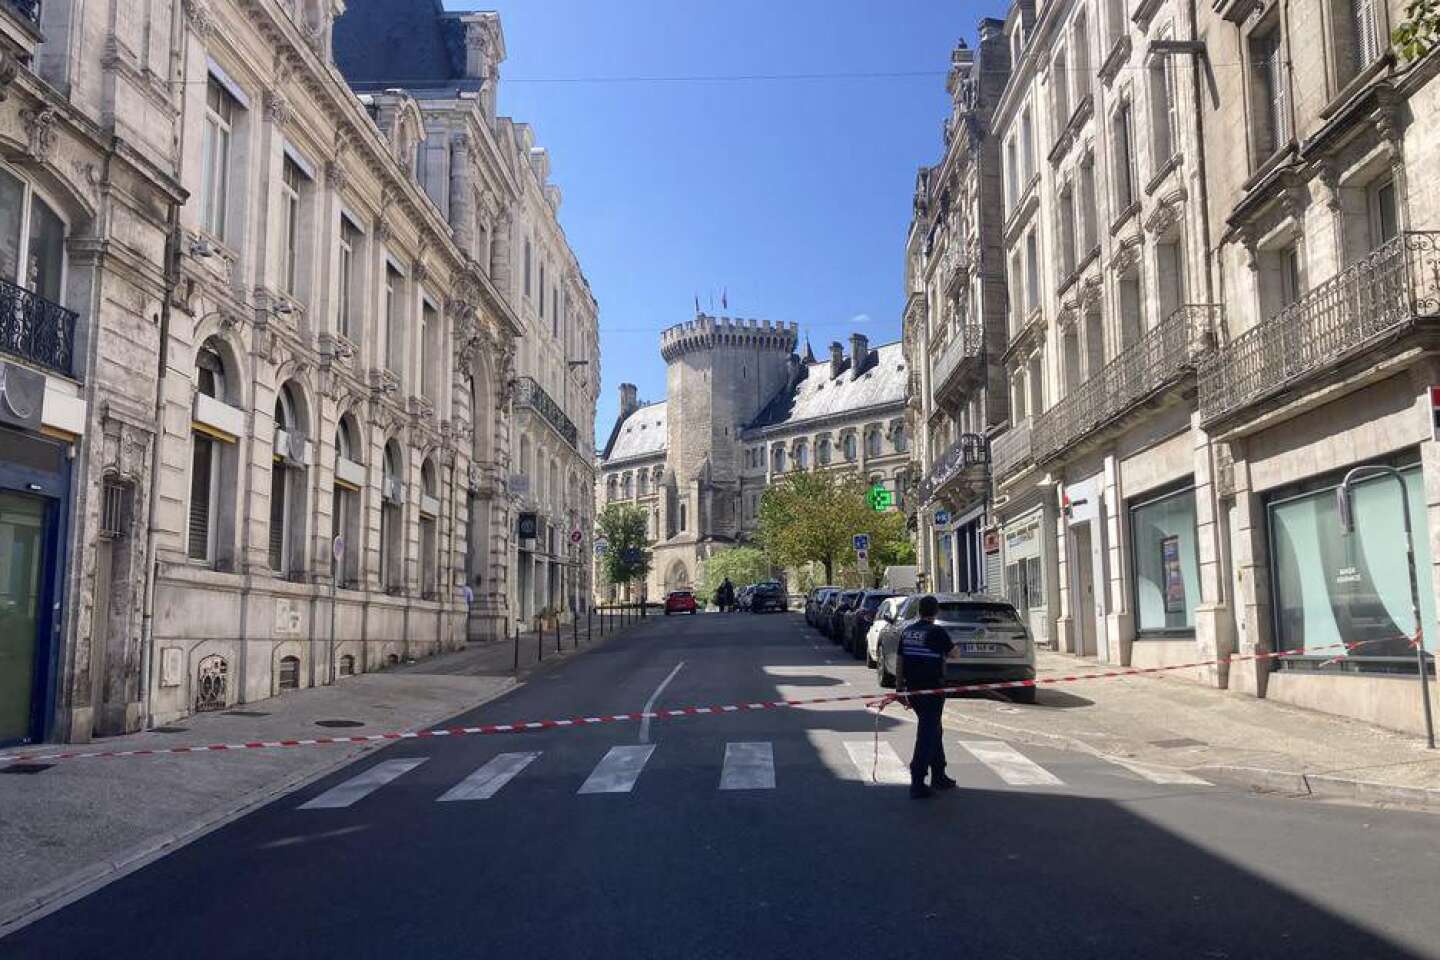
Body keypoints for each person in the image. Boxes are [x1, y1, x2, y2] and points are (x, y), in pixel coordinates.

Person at [895, 594, 956, 799]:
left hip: (913, 689)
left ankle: (939, 774)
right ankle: (917, 780)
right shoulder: (937, 632)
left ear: (919, 611)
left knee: (933, 729)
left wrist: (899, 689)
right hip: (933, 689)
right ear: (936, 611)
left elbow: (900, 661)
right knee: (927, 732)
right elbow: (955, 654)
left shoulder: (908, 631)